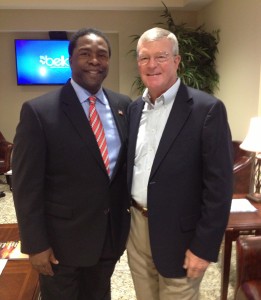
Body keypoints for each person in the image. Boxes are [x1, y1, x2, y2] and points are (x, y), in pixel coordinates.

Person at [12, 28, 131, 300]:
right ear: (70, 60)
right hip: (60, 244)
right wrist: (35, 244)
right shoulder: (39, 111)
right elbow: (26, 185)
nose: (94, 60)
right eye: (85, 54)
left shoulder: (123, 106)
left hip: (108, 239)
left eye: (102, 55)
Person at [126, 27, 234, 300]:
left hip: (181, 235)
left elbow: (219, 188)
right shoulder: (133, 110)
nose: (152, 65)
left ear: (176, 60)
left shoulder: (206, 109)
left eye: (161, 56)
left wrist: (204, 247)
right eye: (144, 58)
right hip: (137, 228)